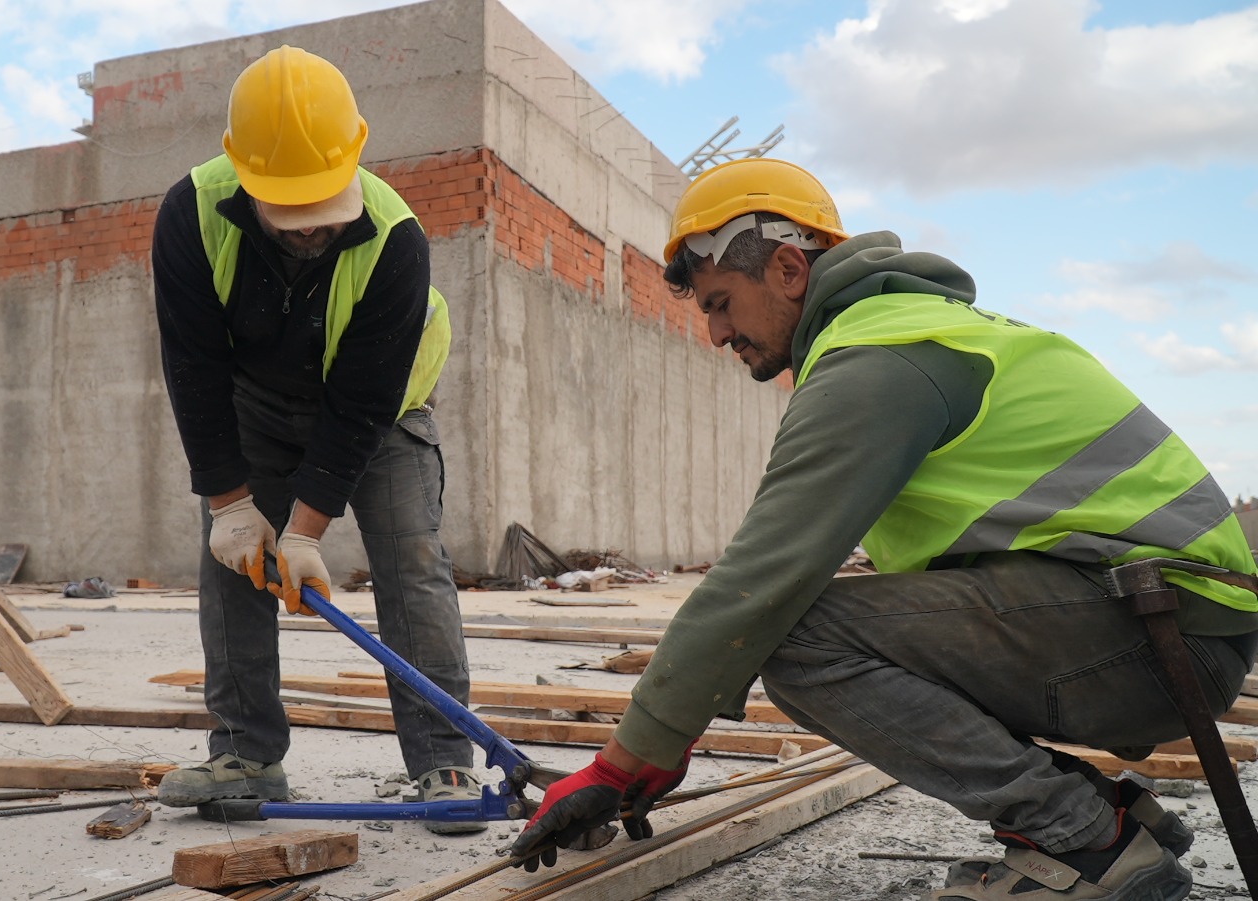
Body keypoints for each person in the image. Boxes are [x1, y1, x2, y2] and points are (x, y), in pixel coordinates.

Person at [510, 157, 1258, 899]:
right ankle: (1099, 812)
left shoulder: (877, 362)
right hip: (1161, 621)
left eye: (721, 302)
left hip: (1162, 634)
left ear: (787, 270)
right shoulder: (914, 331)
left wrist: (626, 760)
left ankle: (1084, 839)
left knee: (800, 638)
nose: (714, 332)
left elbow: (758, 583)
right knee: (846, 619)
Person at [151, 44, 484, 835]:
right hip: (255, 402)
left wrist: (306, 530)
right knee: (232, 559)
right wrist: (233, 505)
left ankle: (443, 757)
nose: (308, 234)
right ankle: (245, 753)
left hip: (386, 409)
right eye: (287, 213)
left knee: (411, 560)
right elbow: (192, 366)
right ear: (240, 166)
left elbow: (359, 407)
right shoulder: (192, 213)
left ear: (357, 151)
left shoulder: (396, 239)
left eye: (320, 212)